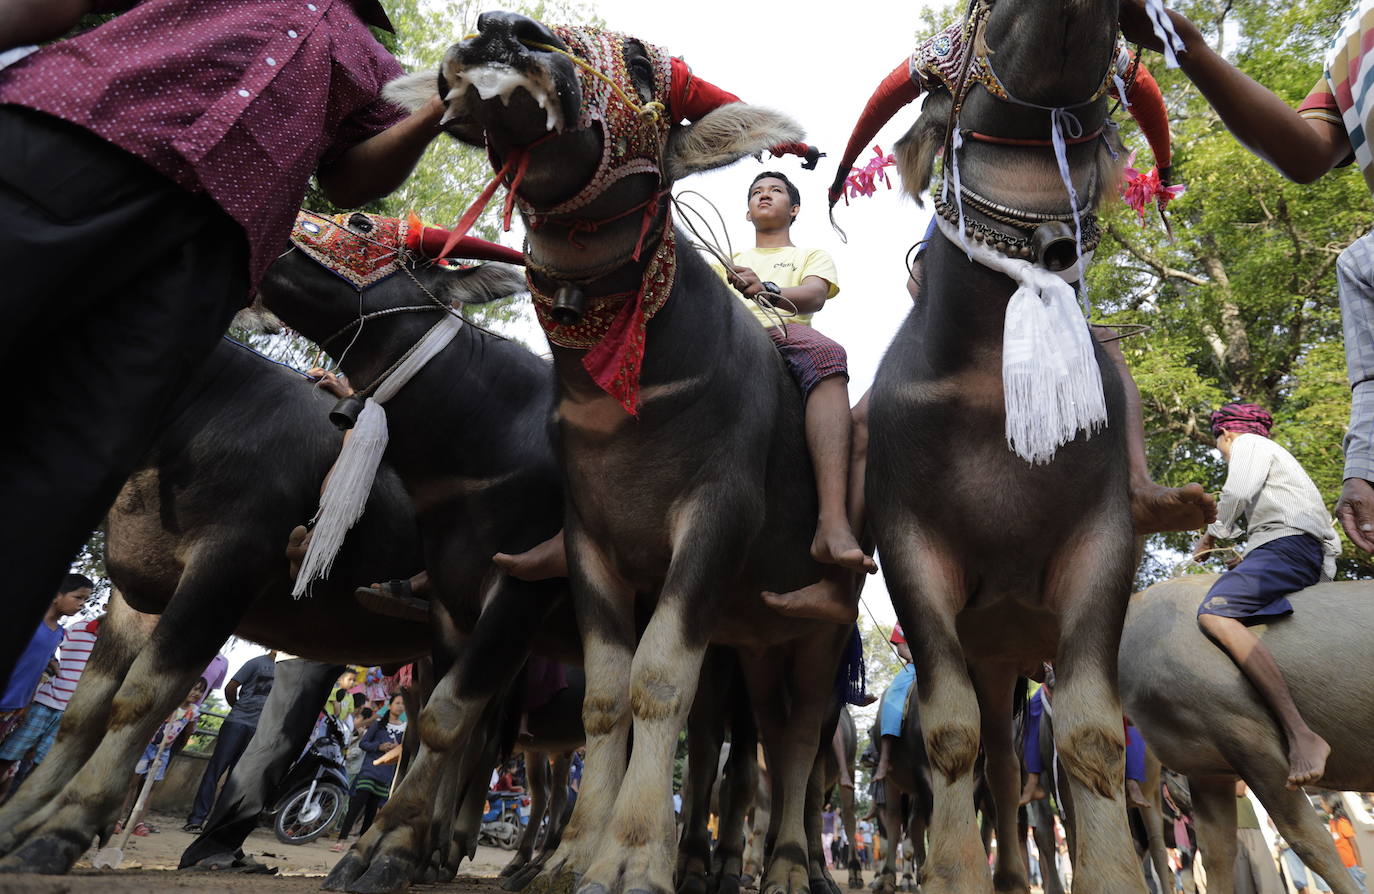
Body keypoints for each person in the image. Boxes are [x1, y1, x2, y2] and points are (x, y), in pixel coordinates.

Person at [0, 0, 451, 685]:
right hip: (69, 135)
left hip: (209, 247)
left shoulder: (373, 62)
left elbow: (350, 177)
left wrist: (440, 106)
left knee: (66, 469)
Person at [490, 171, 879, 591]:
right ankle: (577, 533)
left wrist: (763, 287)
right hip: (719, 342)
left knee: (828, 354)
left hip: (783, 334)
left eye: (776, 191)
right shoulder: (721, 259)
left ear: (795, 209)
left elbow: (814, 294)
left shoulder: (810, 255)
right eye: (756, 192)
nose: (765, 195)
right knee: (601, 377)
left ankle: (833, 521)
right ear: (747, 212)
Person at [1116, 0, 1374, 557]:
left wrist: (1214, 535)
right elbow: (1306, 154)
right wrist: (1185, 44)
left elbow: (1236, 497)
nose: (1220, 444)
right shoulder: (1361, 36)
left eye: (1219, 436)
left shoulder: (1252, 453)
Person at [1192, 404, 1339, 788]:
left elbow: (1237, 490)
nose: (1224, 454)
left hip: (1288, 546)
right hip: (1294, 548)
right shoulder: (1278, 457)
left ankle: (1299, 732)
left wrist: (1213, 533)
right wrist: (1246, 558)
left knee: (1215, 614)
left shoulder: (1249, 445)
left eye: (1219, 447)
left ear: (1226, 435)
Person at [0, 610, 100, 799]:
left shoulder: (119, 645)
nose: (81, 605)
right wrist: (52, 663)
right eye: (79, 598)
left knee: (41, 766)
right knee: (9, 755)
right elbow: (46, 651)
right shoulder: (76, 629)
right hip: (45, 701)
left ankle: (16, 808)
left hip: (71, 712)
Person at [0, 575, 90, 768]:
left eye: (85, 600)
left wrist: (26, 702)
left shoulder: (59, 633)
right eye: (78, 597)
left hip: (12, 708)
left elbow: (39, 669)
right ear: (57, 595)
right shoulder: (29, 622)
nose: (82, 604)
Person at [184, 650, 276, 832]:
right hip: (237, 723)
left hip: (258, 729)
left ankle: (217, 823)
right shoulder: (255, 662)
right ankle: (196, 819)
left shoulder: (285, 670)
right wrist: (238, 706)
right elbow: (231, 686)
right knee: (215, 770)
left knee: (238, 777)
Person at [115, 678, 207, 837]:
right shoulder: (169, 704)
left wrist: (178, 747)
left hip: (163, 752)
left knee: (151, 787)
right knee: (132, 783)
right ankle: (117, 819)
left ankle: (138, 822)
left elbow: (187, 732)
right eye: (194, 688)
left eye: (200, 690)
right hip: (146, 747)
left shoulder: (193, 712)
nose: (196, 693)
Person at [331, 693, 405, 852]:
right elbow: (364, 744)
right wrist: (379, 747)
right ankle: (341, 840)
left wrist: (396, 749)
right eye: (397, 702)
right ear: (390, 705)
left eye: (403, 704)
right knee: (357, 804)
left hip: (386, 774)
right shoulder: (378, 724)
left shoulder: (405, 729)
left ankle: (360, 844)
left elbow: (405, 752)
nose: (401, 706)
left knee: (371, 811)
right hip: (369, 770)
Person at [874, 625, 915, 786]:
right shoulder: (902, 619)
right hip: (915, 666)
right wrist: (917, 658)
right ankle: (885, 758)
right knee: (893, 694)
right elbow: (902, 648)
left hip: (946, 665)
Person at [1234, 781, 1286, 894]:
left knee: (1251, 882)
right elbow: (1239, 789)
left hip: (1245, 826)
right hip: (1242, 828)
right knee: (1263, 881)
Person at [1325, 796, 1368, 893]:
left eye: (1322, 802)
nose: (1321, 805)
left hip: (1352, 867)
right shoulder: (1332, 822)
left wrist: (1359, 867)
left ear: (1330, 804)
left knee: (1360, 891)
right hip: (1343, 866)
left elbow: (1354, 846)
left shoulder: (1342, 822)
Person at [822, 802, 837, 869]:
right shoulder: (822, 814)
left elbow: (835, 823)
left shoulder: (833, 814)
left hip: (830, 832)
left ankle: (830, 862)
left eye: (828, 804)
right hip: (823, 832)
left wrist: (835, 833)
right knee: (824, 847)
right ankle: (826, 863)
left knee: (827, 846)